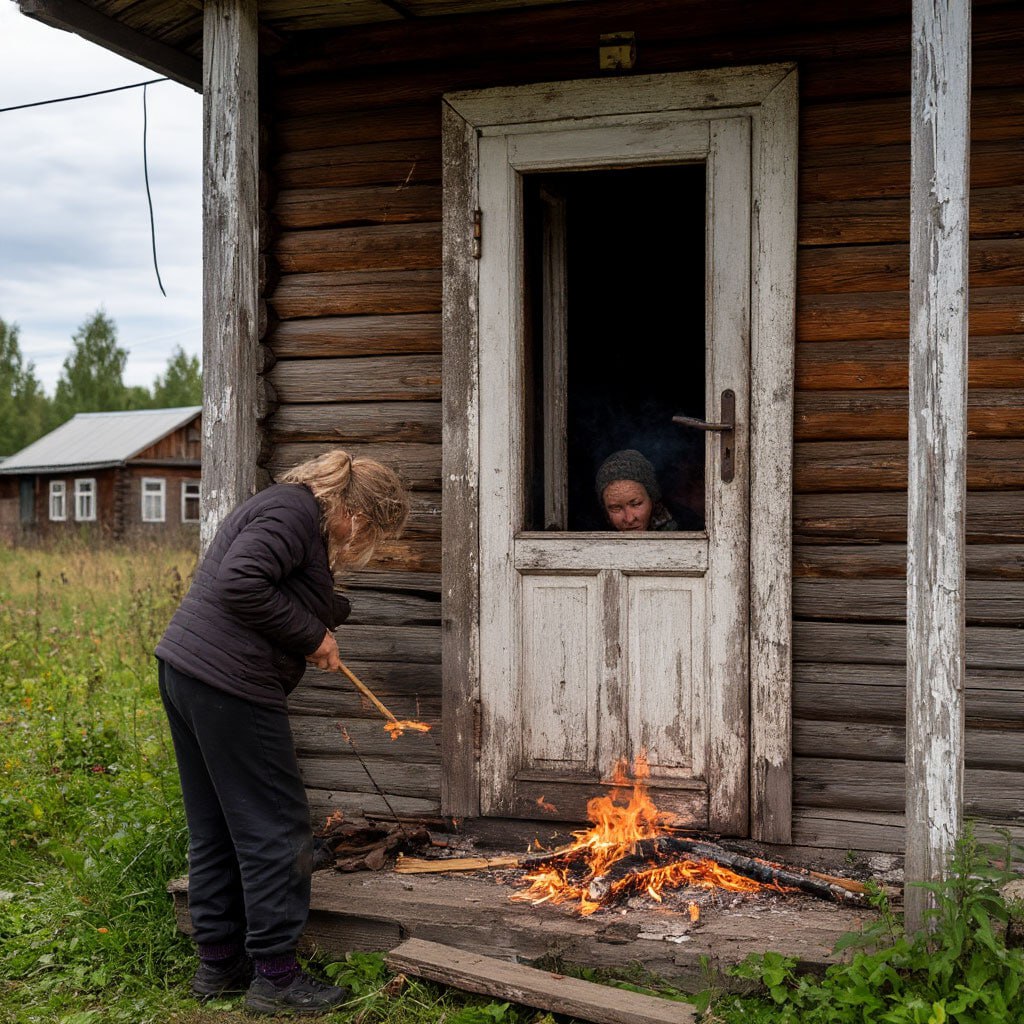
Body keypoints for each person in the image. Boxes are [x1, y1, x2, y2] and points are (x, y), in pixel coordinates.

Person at [155, 450, 409, 1016]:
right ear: (354, 511)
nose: (356, 542)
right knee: (277, 828)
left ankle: (218, 963)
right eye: (366, 530)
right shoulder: (295, 515)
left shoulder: (284, 508)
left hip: (187, 671)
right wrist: (312, 638)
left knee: (217, 824)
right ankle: (276, 977)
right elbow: (241, 582)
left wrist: (324, 614)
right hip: (230, 682)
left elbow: (276, 584)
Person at [595, 449, 678, 532]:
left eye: (636, 504)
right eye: (616, 508)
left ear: (652, 500)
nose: (629, 519)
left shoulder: (685, 524)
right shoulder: (593, 533)